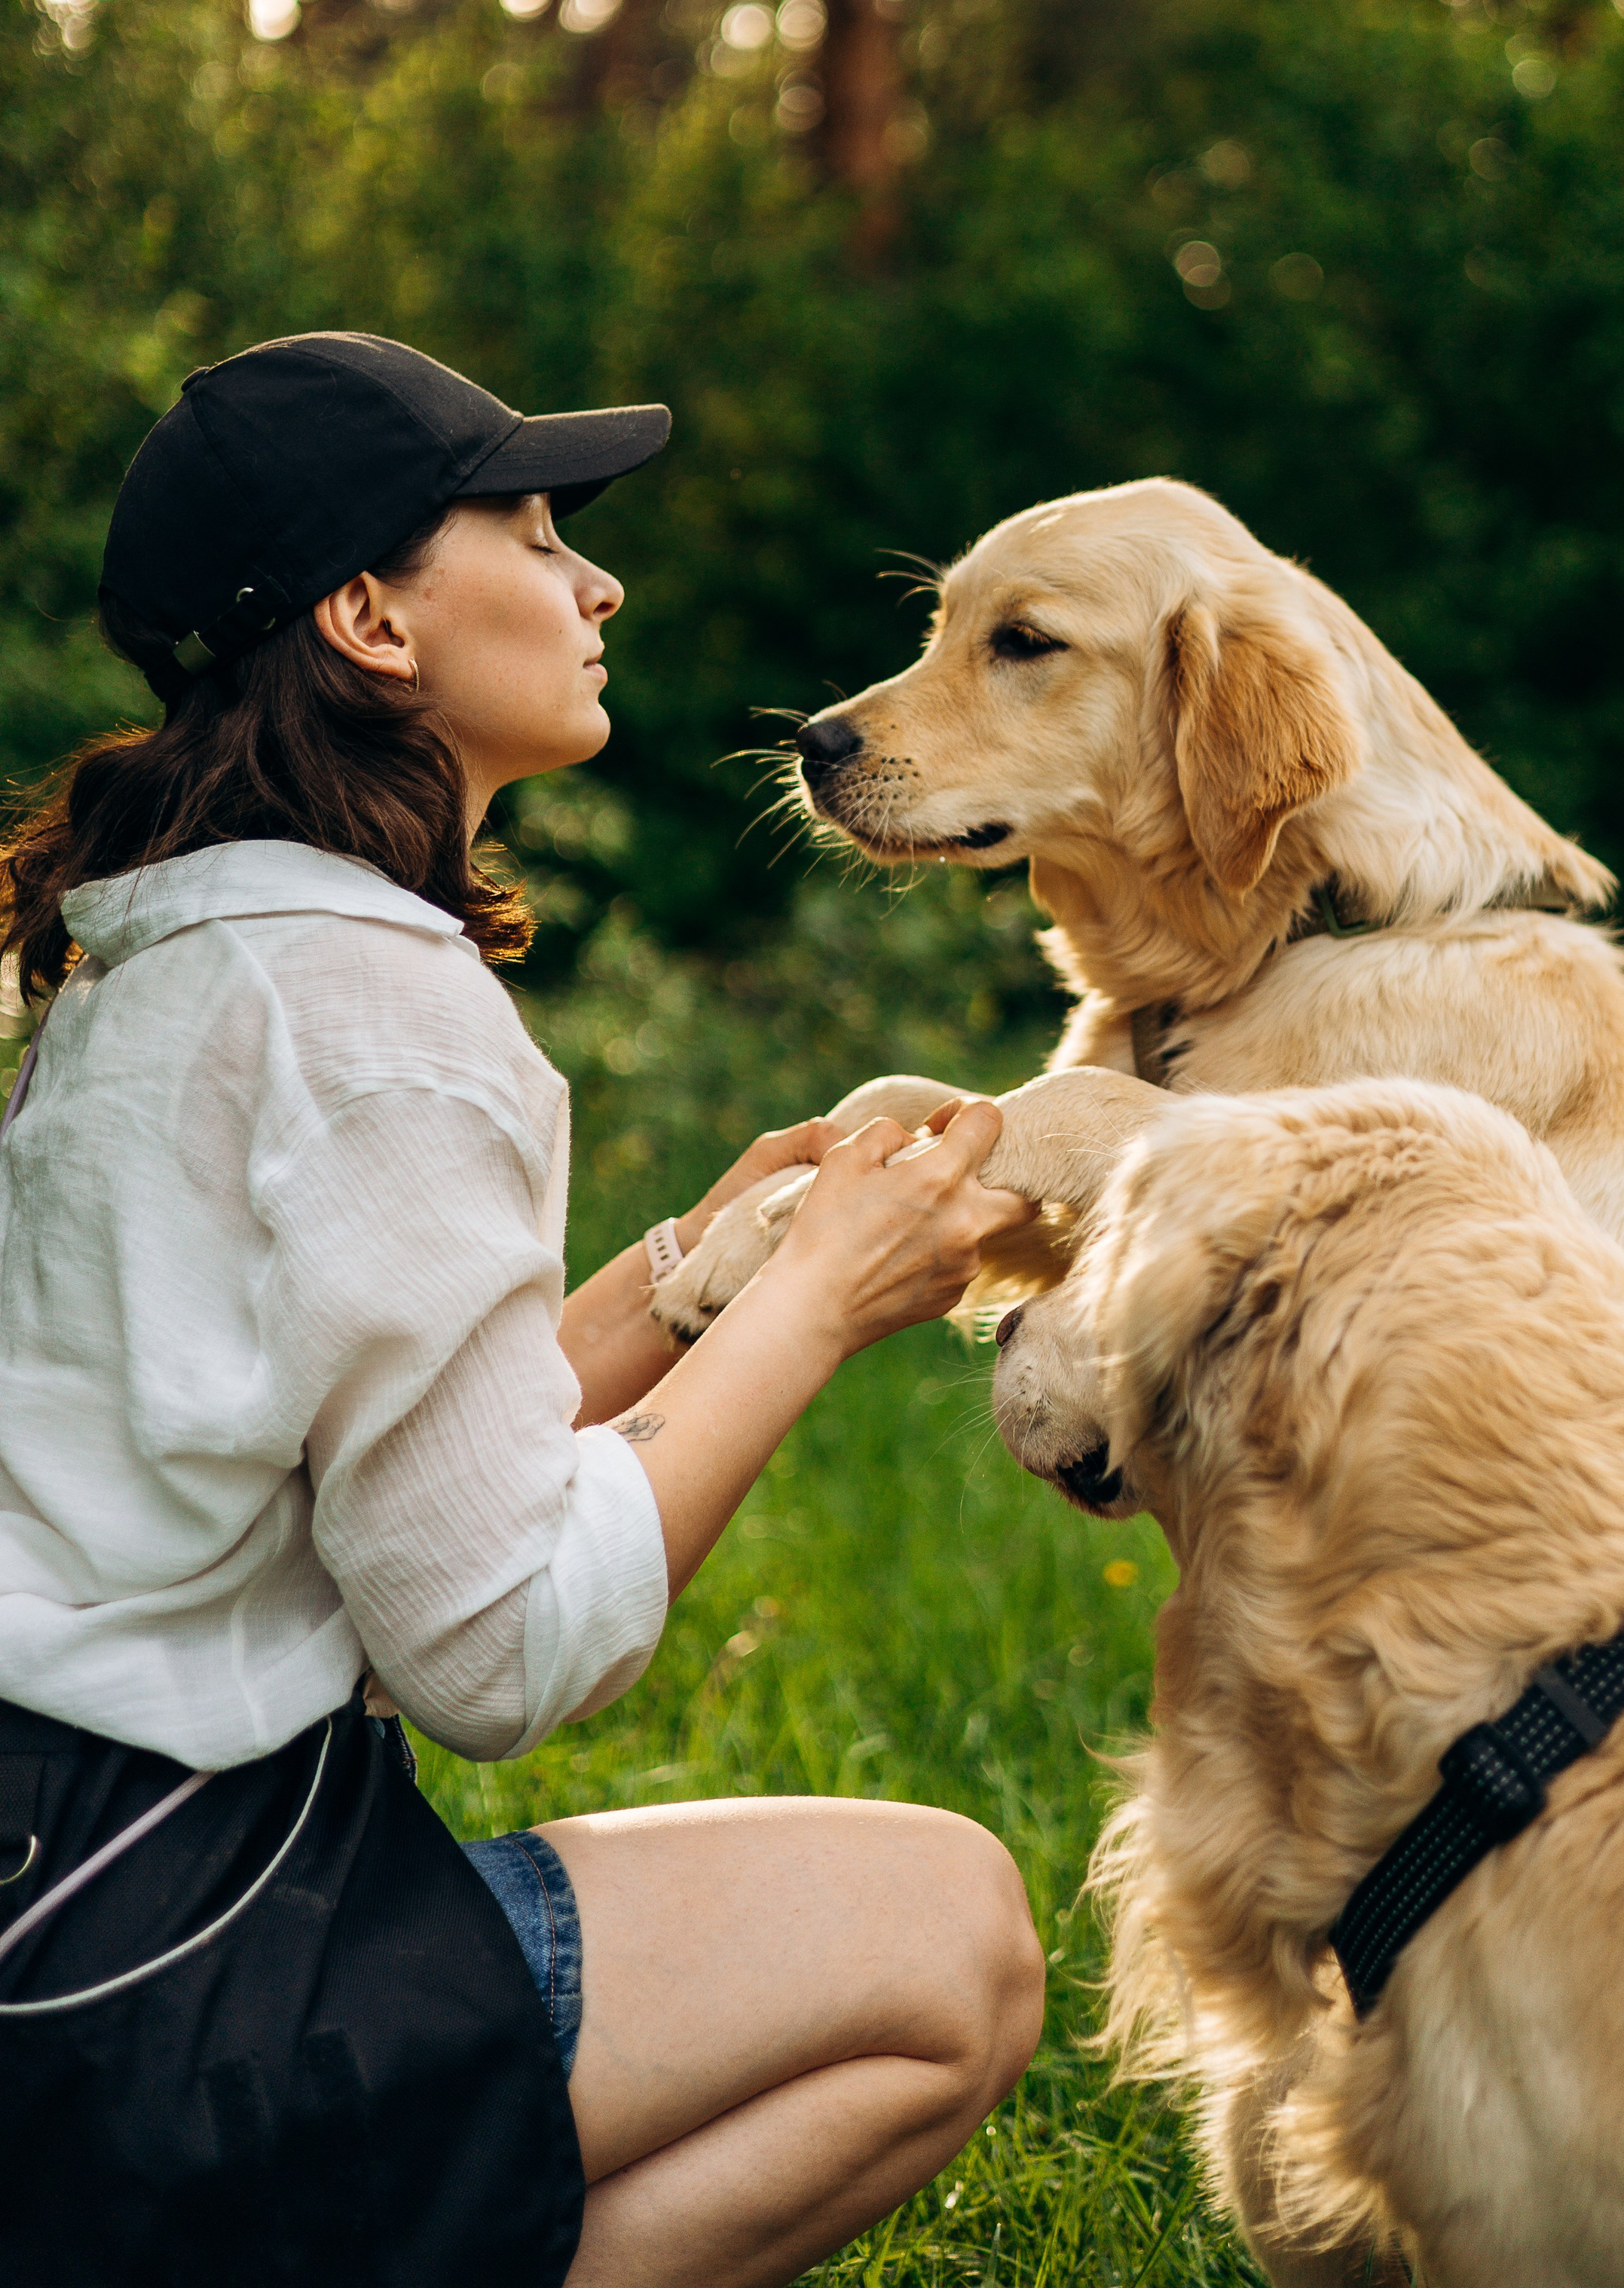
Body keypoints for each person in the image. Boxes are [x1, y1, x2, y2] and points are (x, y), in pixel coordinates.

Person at [0, 332, 1044, 2288]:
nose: (599, 586)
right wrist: (809, 1310)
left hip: (52, 1941)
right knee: (956, 1947)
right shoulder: (381, 1011)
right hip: (181, 1992)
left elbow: (348, 1470)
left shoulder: (163, 960)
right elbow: (489, 1645)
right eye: (539, 531)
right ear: (371, 614)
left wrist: (694, 1269)